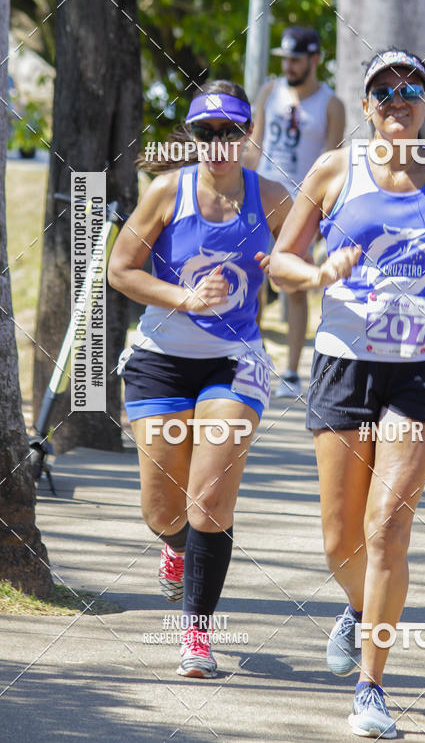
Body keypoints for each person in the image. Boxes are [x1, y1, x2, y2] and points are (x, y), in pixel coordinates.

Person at [270, 49, 425, 738]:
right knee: (341, 540)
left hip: (424, 368)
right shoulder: (335, 169)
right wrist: (316, 272)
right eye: (383, 91)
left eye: (410, 88)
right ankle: (361, 607)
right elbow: (278, 264)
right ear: (366, 107)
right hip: (343, 363)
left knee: (387, 525)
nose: (398, 98)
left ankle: (371, 688)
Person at [108, 81, 290, 677]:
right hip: (161, 357)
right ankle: (174, 546)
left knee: (209, 499)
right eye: (205, 132)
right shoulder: (167, 192)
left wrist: (296, 271)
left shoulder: (273, 197)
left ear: (247, 134)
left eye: (230, 131)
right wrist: (184, 297)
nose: (217, 143)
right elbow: (121, 270)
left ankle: (196, 635)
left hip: (235, 361)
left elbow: (300, 260)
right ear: (192, 136)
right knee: (165, 510)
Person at [244, 27, 346, 398]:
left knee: (295, 285)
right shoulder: (270, 92)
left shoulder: (331, 104)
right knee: (251, 276)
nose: (288, 65)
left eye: (296, 58)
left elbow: (332, 160)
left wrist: (323, 213)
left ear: (315, 59)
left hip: (301, 205)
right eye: (284, 58)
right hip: (260, 194)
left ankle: (290, 371)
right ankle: (252, 358)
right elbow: (254, 145)